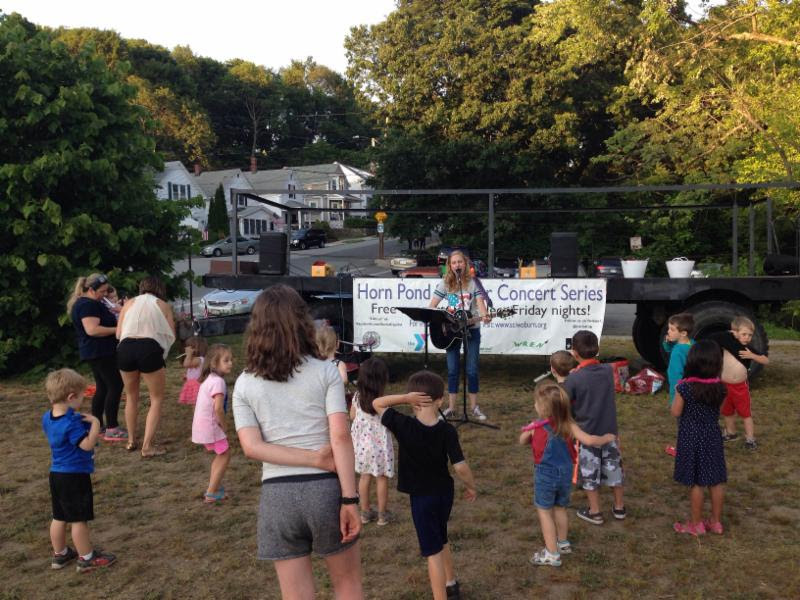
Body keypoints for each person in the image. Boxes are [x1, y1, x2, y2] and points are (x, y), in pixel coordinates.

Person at [233, 285, 363, 600]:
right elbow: (341, 435)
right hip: (326, 492)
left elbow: (252, 448)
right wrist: (350, 499)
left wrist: (309, 460)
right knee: (347, 584)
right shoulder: (326, 372)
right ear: (302, 322)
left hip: (277, 497)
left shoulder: (244, 383)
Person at [373, 370, 477, 600]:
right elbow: (460, 466)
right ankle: (451, 582)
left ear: (413, 400)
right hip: (444, 494)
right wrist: (471, 487)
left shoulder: (403, 425)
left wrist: (404, 398)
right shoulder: (448, 430)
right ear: (440, 400)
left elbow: (377, 403)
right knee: (441, 537)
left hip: (422, 498)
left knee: (432, 552)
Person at [519, 381, 616, 567]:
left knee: (545, 512)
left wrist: (529, 428)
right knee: (560, 508)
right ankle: (562, 543)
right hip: (565, 474)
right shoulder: (568, 424)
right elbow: (589, 440)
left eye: (536, 403)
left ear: (544, 409)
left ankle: (551, 554)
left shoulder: (537, 426)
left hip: (545, 475)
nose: (534, 406)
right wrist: (607, 437)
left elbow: (522, 440)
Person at [43, 369, 117, 573]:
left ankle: (60, 554)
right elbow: (86, 445)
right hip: (74, 476)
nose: (83, 401)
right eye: (82, 396)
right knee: (78, 519)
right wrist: (95, 423)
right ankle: (87, 558)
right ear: (71, 397)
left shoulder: (48, 417)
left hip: (56, 474)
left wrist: (73, 416)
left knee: (59, 516)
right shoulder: (71, 424)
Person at [564, 330, 626, 525]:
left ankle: (595, 511)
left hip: (587, 434)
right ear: (597, 349)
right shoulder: (609, 371)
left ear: (574, 353)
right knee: (614, 470)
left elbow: (564, 402)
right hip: (610, 432)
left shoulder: (574, 379)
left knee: (589, 474)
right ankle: (619, 507)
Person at [671, 340, 728, 535]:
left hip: (690, 437)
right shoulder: (721, 387)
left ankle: (696, 524)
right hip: (712, 435)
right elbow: (719, 410)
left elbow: (676, 412)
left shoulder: (684, 387)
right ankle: (716, 522)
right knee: (716, 480)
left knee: (696, 482)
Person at [116, 276, 176, 457]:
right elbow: (171, 333)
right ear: (160, 288)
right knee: (156, 398)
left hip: (125, 348)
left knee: (131, 396)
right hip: (148, 348)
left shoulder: (128, 304)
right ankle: (147, 446)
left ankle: (131, 440)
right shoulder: (163, 305)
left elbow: (118, 333)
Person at [428, 250, 491, 420]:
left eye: (460, 262)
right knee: (453, 370)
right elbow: (432, 306)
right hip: (450, 332)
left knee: (471, 370)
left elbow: (480, 303)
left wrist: (485, 315)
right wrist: (440, 323)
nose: (457, 265)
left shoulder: (473, 283)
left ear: (465, 264)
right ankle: (451, 407)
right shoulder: (445, 283)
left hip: (472, 330)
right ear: (450, 265)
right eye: (454, 262)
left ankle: (474, 407)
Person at [67, 273, 127, 443]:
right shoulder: (88, 305)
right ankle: (112, 428)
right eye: (102, 291)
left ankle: (98, 424)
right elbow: (92, 329)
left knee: (103, 387)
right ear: (91, 290)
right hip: (100, 352)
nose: (105, 294)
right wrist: (117, 330)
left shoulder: (91, 302)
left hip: (96, 351)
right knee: (115, 385)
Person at [709, 316, 769, 450]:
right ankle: (731, 433)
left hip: (740, 387)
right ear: (735, 332)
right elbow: (712, 337)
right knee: (727, 411)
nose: (747, 337)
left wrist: (752, 356)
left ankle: (750, 439)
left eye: (750, 335)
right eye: (744, 334)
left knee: (745, 413)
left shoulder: (748, 349)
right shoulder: (727, 342)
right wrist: (730, 333)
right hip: (725, 385)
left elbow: (765, 360)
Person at [349, 357, 395, 526]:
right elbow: (390, 421)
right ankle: (383, 515)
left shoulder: (356, 397)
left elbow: (352, 416)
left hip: (362, 448)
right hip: (380, 448)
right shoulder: (383, 401)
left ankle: (365, 512)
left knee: (364, 477)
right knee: (381, 478)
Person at [192, 344, 233, 503]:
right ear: (215, 364)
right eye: (226, 360)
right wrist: (225, 425)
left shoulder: (210, 379)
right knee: (225, 454)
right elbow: (218, 409)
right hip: (211, 426)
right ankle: (211, 493)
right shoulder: (218, 383)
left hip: (202, 425)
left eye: (231, 360)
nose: (230, 363)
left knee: (221, 454)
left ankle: (214, 487)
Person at [662, 313, 695, 456]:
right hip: (693, 389)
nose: (668, 332)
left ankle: (683, 450)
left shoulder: (678, 351)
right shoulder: (692, 344)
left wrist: (674, 396)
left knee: (682, 422)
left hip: (680, 392)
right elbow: (669, 348)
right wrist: (668, 342)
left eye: (671, 330)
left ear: (683, 333)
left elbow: (676, 375)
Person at [179, 335, 208, 405]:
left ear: (195, 349)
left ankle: (198, 415)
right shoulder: (195, 359)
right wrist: (187, 376)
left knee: (197, 404)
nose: (186, 349)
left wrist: (188, 355)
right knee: (195, 404)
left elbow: (186, 364)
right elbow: (193, 371)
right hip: (193, 384)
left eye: (188, 347)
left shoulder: (198, 359)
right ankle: (196, 415)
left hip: (196, 385)